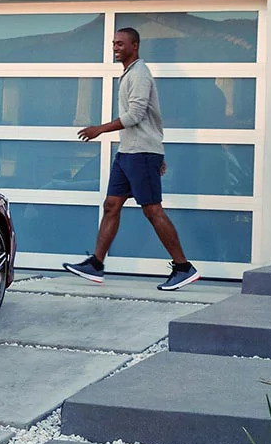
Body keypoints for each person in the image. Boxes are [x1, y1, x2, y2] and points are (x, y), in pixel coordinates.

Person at [62, 27, 199, 291]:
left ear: (134, 45)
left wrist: (99, 129)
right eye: (114, 43)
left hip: (141, 153)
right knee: (112, 204)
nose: (115, 47)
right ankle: (96, 264)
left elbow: (136, 115)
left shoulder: (140, 74)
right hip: (128, 152)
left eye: (121, 43)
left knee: (152, 210)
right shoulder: (128, 74)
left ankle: (183, 267)